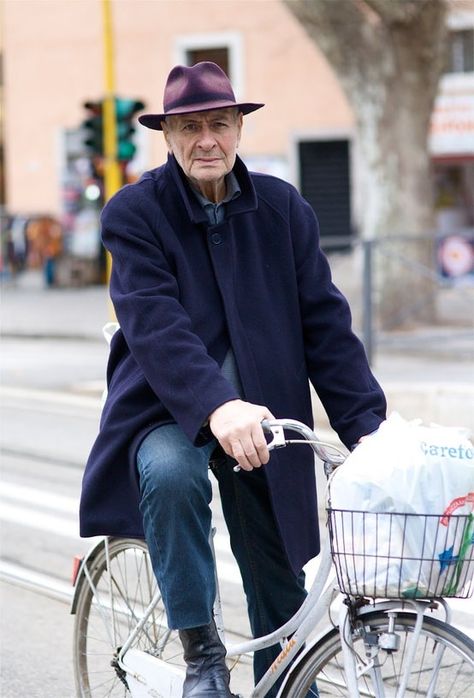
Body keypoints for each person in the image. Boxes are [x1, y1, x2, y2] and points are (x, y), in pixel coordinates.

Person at [80, 62, 387, 698]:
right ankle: (202, 655)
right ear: (167, 136)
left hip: (264, 417)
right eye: (189, 127)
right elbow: (156, 325)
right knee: (172, 475)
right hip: (167, 410)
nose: (207, 140)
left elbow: (325, 326)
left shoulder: (281, 209)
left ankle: (284, 683)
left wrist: (372, 436)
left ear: (240, 128)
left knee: (275, 556)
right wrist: (217, 406)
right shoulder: (135, 213)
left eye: (219, 123)